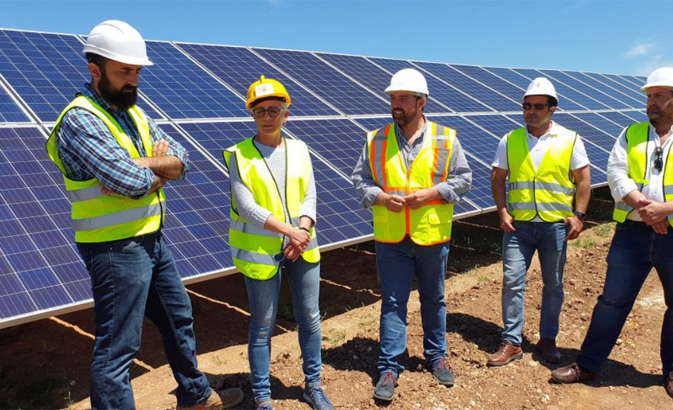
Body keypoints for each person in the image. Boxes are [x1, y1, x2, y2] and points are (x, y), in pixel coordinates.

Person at [45, 20, 243, 410]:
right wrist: (153, 168)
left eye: (136, 71)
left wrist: (143, 166)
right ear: (95, 70)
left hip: (151, 237)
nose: (133, 79)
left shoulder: (134, 112)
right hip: (113, 248)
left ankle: (195, 394)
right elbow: (130, 182)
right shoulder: (80, 119)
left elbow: (182, 160)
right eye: (124, 71)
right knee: (119, 345)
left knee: (177, 315)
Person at [551, 67, 673, 401]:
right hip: (632, 233)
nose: (651, 102)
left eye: (658, 96)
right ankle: (588, 364)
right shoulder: (630, 135)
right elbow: (616, 174)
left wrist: (666, 211)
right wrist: (646, 207)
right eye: (648, 96)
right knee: (612, 301)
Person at [351, 68, 472, 402]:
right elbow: (359, 181)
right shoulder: (375, 139)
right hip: (391, 237)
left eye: (403, 99)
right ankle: (390, 366)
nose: (396, 105)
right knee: (392, 302)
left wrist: (432, 193)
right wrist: (379, 197)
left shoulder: (446, 138)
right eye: (393, 98)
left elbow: (464, 179)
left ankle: (437, 356)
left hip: (432, 235)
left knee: (435, 299)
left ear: (422, 102)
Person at [223, 76, 333, 410]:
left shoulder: (300, 149)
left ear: (286, 113)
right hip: (260, 253)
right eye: (260, 111)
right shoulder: (239, 155)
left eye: (275, 110)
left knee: (310, 317)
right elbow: (247, 207)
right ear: (252, 115)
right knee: (262, 325)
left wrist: (301, 231)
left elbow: (310, 193)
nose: (268, 116)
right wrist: (290, 232)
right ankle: (262, 397)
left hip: (302, 244)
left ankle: (313, 385)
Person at [487, 78, 591, 367]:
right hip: (517, 226)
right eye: (526, 106)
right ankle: (512, 341)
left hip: (555, 225)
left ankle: (548, 340)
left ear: (552, 108)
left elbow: (583, 179)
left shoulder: (570, 139)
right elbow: (498, 177)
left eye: (537, 106)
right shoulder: (510, 139)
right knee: (512, 282)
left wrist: (579, 215)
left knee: (553, 285)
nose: (530, 111)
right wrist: (502, 212)